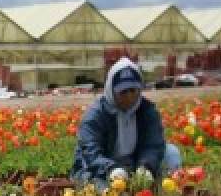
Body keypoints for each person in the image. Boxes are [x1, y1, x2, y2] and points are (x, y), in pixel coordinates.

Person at [71, 57, 182, 188]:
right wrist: (111, 169)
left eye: (133, 90)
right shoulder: (95, 115)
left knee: (171, 152)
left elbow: (153, 144)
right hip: (102, 167)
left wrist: (145, 166)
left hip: (134, 162)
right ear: (111, 91)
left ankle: (166, 192)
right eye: (123, 92)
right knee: (101, 189)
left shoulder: (147, 110)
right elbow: (90, 152)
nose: (129, 97)